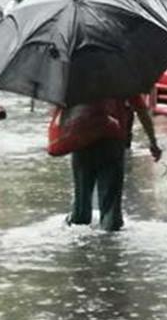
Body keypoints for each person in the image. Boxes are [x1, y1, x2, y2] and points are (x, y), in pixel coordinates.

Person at [67, 95, 161, 232]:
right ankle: (110, 238)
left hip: (83, 141)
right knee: (111, 203)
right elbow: (141, 110)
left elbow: (64, 109)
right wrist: (153, 142)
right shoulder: (122, 79)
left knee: (81, 199)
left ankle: (78, 233)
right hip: (112, 142)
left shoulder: (78, 80)